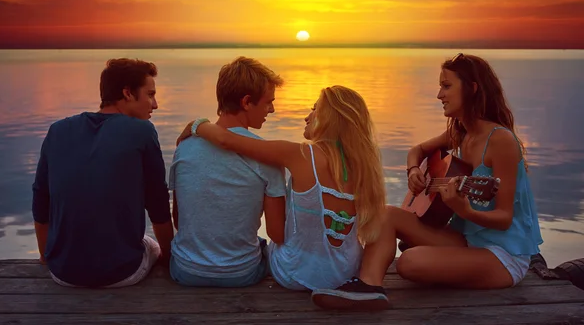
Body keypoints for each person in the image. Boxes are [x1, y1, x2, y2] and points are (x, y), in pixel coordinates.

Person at [312, 52, 543, 310]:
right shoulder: (460, 132)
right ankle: (368, 286)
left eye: (446, 86)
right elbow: (417, 150)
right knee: (386, 214)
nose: (439, 95)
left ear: (472, 89)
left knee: (409, 262)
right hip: (466, 240)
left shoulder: (501, 141)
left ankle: (438, 266)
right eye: (439, 87)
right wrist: (413, 171)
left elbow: (504, 218)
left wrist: (463, 210)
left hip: (503, 255)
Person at [177, 84, 390, 308]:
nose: (307, 117)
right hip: (345, 273)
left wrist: (198, 125)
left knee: (268, 243)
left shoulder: (299, 155)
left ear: (330, 117)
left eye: (315, 109)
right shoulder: (366, 167)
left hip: (293, 274)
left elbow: (227, 141)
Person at [32, 58, 173, 288]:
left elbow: (40, 199)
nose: (155, 104)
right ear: (127, 93)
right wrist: (168, 258)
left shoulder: (57, 130)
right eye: (150, 94)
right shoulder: (142, 131)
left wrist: (46, 256)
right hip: (122, 274)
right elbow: (157, 205)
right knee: (153, 246)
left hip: (62, 274)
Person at [169, 56, 286, 287]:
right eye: (268, 102)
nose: (272, 109)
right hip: (241, 274)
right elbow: (278, 234)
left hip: (185, 270)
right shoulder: (266, 156)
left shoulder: (184, 146)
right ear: (246, 102)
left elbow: (179, 219)